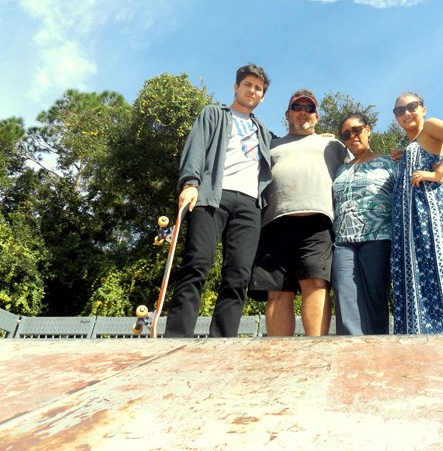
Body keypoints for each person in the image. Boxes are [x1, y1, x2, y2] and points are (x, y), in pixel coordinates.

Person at [164, 63, 273, 338]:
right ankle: (176, 337)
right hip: (212, 197)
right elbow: (196, 147)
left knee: (238, 274)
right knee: (196, 265)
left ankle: (222, 340)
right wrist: (190, 183)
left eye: (258, 88)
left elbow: (286, 147)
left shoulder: (263, 132)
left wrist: (318, 136)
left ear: (263, 96)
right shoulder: (214, 114)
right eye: (247, 84)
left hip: (250, 206)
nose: (252, 90)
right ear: (236, 87)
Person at [248, 90, 350, 336]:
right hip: (274, 223)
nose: (303, 112)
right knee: (278, 291)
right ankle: (278, 356)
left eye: (309, 108)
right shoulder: (270, 145)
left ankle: (315, 352)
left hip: (317, 222)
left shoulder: (333, 145)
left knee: (315, 283)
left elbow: (359, 167)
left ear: (316, 116)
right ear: (288, 114)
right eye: (297, 107)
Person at [390, 92, 443, 334]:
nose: (406, 113)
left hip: (429, 217)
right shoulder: (413, 144)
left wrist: (438, 173)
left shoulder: (429, 127)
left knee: (439, 271)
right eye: (400, 111)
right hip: (410, 224)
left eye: (412, 106)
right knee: (416, 275)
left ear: (423, 109)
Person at [331, 113, 396, 335]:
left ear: (368, 129)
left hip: (377, 238)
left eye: (356, 130)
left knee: (375, 297)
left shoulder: (389, 161)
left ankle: (378, 355)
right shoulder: (341, 169)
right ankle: (351, 353)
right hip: (343, 242)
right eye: (346, 134)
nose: (352, 137)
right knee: (344, 297)